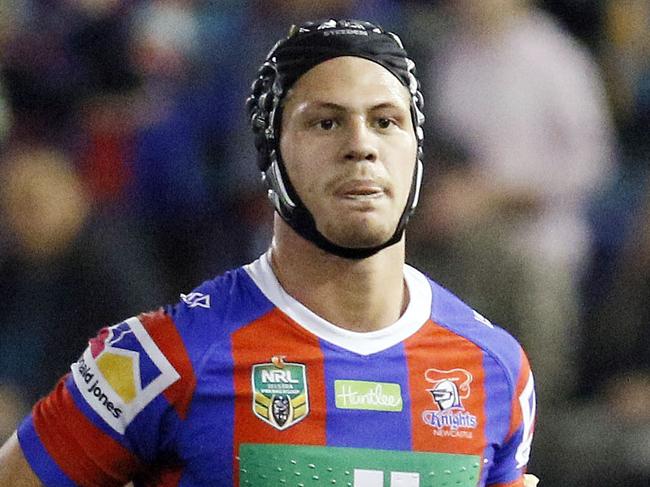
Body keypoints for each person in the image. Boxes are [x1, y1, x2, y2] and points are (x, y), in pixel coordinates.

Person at [0, 19, 536, 486]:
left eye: (386, 121)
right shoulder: (161, 358)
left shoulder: (496, 370)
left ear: (417, 152)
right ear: (270, 155)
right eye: (325, 121)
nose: (361, 144)